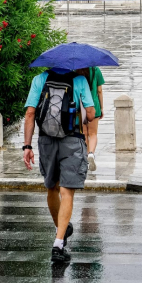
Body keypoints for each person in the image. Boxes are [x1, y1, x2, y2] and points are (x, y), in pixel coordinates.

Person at [23, 67, 95, 263]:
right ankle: (58, 243)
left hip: (46, 141)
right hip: (72, 141)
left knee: (52, 187)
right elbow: (90, 114)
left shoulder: (40, 79)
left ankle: (60, 229)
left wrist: (27, 146)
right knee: (67, 191)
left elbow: (30, 114)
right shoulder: (80, 80)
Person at [78, 67, 105, 171]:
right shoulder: (95, 70)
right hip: (94, 106)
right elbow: (99, 90)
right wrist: (102, 108)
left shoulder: (75, 70)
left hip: (81, 107)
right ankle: (91, 154)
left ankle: (85, 156)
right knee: (93, 134)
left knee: (84, 133)